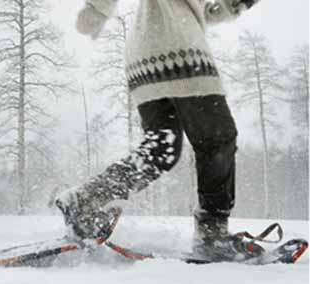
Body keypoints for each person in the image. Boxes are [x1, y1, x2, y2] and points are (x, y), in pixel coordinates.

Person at [56, 0, 260, 261]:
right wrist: (97, 9)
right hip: (181, 52)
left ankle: (88, 199)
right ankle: (213, 234)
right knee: (217, 139)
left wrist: (235, 5)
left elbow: (200, 13)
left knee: (160, 148)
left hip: (145, 57)